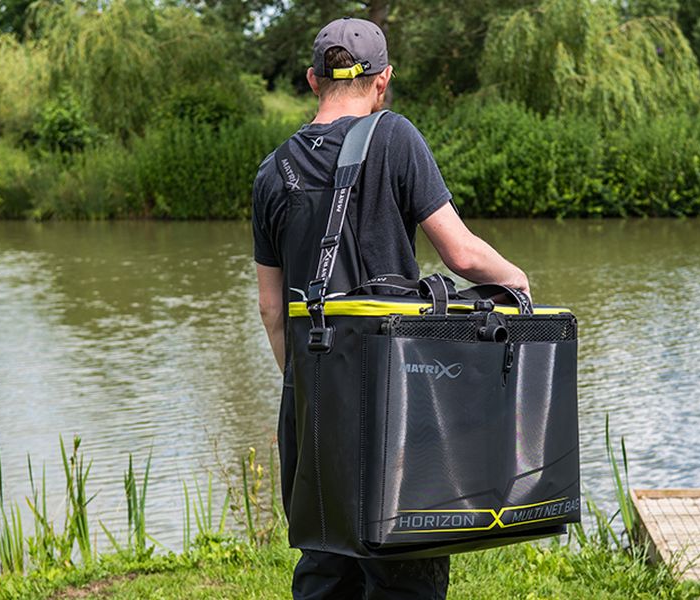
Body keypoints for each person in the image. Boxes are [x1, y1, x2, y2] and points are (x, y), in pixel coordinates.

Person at [252, 16, 530, 600]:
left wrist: (305, 387)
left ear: (311, 80)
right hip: (396, 402)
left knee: (325, 561)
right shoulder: (395, 136)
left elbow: (272, 310)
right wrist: (516, 280)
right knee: (404, 566)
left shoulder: (271, 172)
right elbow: (460, 253)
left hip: (315, 398)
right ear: (383, 81)